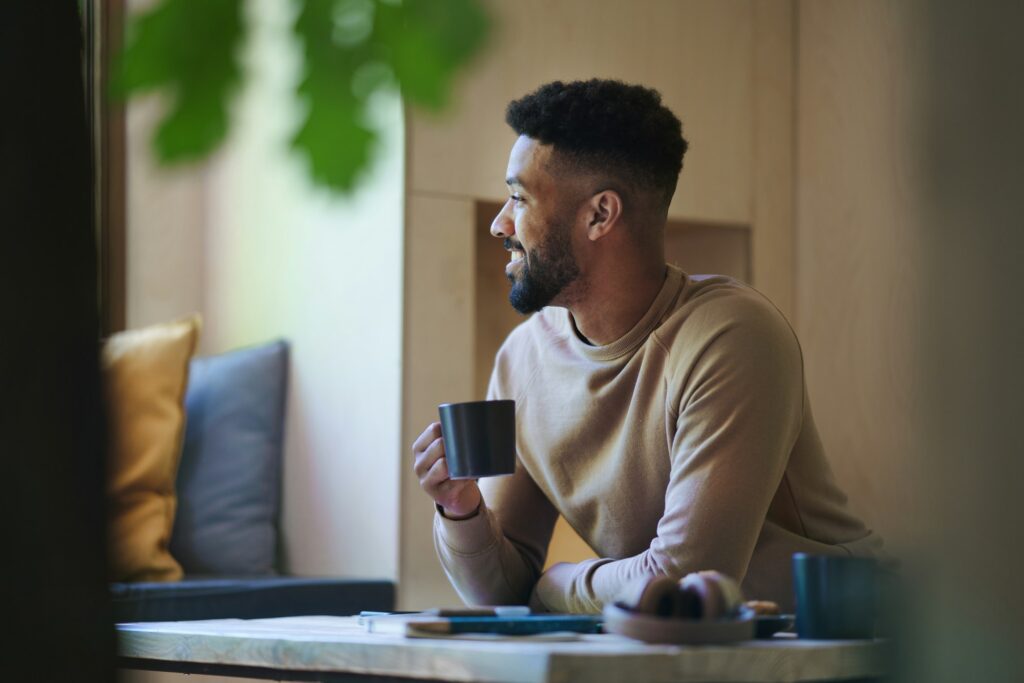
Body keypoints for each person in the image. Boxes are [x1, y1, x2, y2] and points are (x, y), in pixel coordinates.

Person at [411, 79, 882, 614]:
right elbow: (501, 589)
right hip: (679, 648)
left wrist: (552, 587)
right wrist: (461, 510)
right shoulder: (523, 358)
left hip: (838, 642)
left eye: (519, 198)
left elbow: (686, 579)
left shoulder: (731, 336)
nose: (501, 223)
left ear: (600, 215)